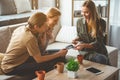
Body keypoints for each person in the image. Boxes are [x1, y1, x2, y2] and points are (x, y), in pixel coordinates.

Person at [1, 12, 67, 77]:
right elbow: (39, 59)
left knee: (59, 55)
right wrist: (59, 54)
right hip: (11, 67)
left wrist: (58, 53)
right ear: (36, 27)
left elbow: (41, 51)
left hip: (24, 59)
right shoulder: (29, 38)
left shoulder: (22, 28)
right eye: (45, 25)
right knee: (50, 63)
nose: (47, 26)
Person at [72, 0, 109, 65]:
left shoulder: (101, 23)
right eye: (82, 12)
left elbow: (98, 43)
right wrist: (76, 39)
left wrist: (83, 45)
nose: (83, 15)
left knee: (102, 59)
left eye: (86, 12)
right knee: (102, 59)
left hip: (98, 50)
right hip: (85, 50)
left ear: (93, 12)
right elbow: (80, 36)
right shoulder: (79, 22)